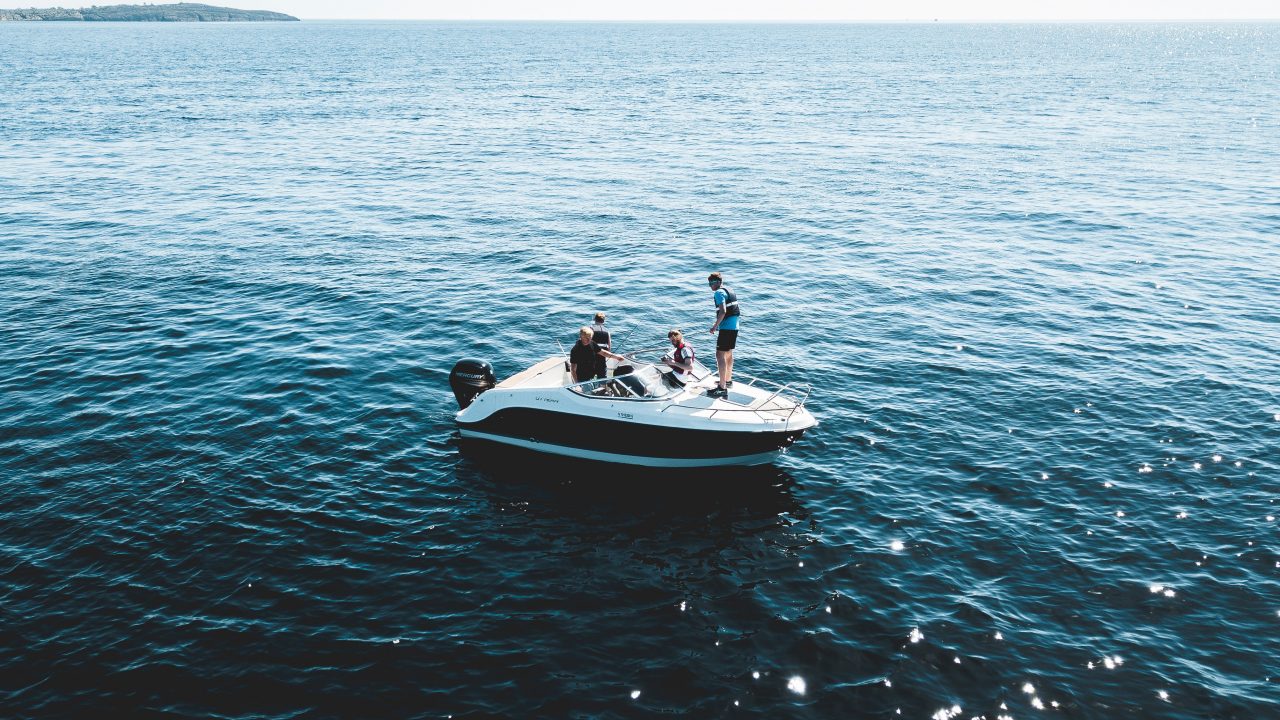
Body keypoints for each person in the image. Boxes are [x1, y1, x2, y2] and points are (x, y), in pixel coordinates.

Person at [706, 271, 740, 397]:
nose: (711, 286)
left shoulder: (719, 292)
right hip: (734, 327)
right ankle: (727, 380)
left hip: (726, 328)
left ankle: (722, 387)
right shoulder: (729, 289)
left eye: (713, 283)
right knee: (728, 353)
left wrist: (715, 326)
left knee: (719, 355)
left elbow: (723, 311)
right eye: (709, 283)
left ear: (719, 282)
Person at [590, 312, 611, 380]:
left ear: (594, 319)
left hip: (591, 359)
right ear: (603, 320)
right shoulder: (607, 332)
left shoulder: (591, 329)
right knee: (602, 379)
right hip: (602, 360)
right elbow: (609, 348)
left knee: (588, 378)